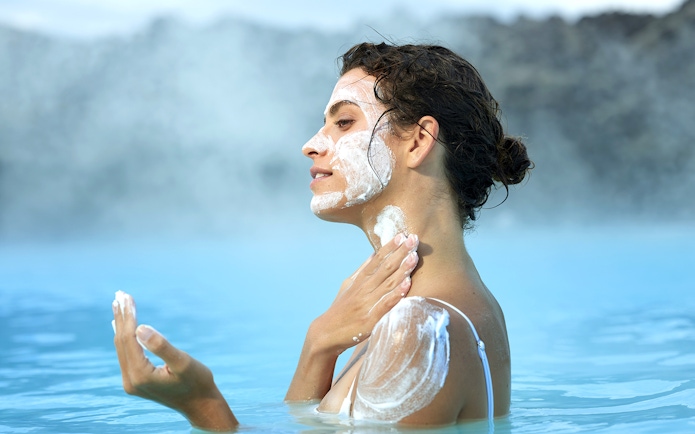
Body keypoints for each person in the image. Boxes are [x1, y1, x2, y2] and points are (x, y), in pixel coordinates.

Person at [112, 41, 531, 431]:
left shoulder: (420, 329)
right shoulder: (444, 307)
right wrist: (320, 344)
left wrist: (202, 406)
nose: (311, 145)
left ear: (419, 141)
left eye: (344, 122)